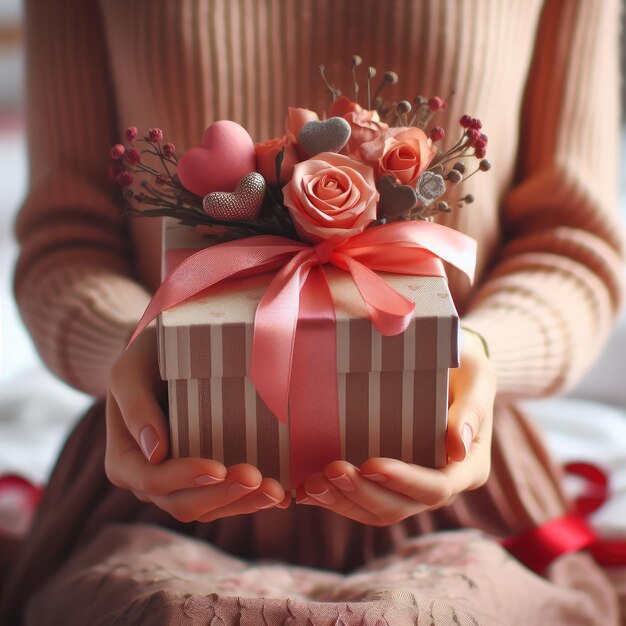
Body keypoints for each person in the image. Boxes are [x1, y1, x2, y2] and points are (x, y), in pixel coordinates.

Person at [1, 0, 625, 623]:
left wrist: (476, 354)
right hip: (165, 466)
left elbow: (573, 243)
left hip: (451, 472)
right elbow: (66, 239)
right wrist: (137, 347)